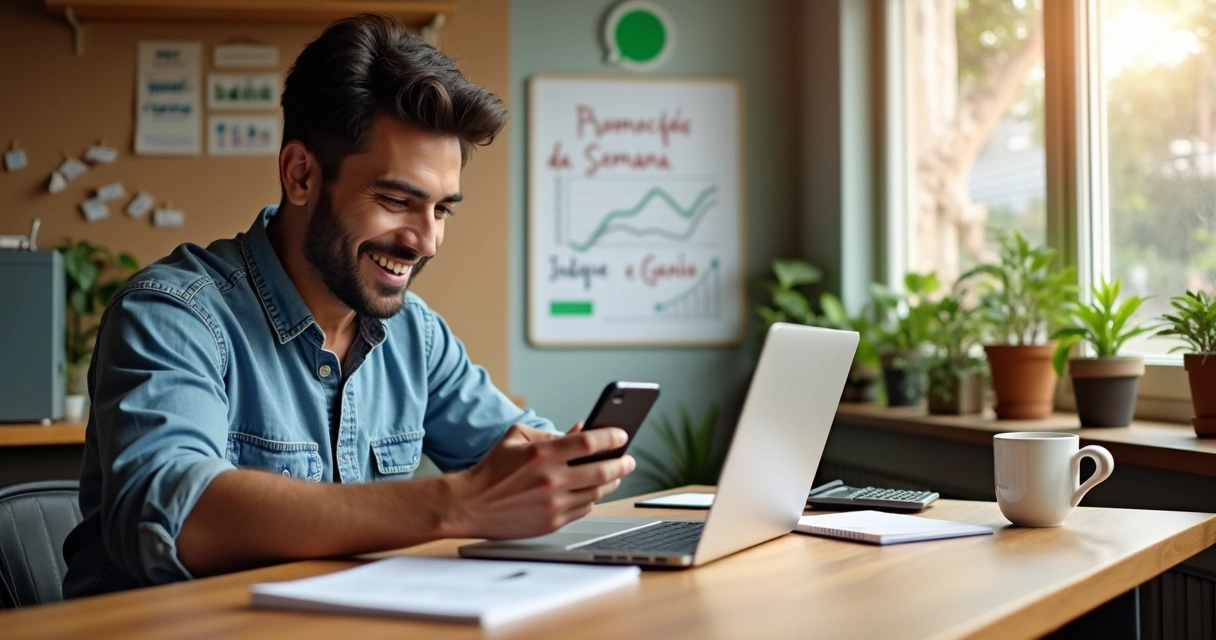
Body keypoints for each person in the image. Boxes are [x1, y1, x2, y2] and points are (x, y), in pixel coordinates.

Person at [62, 14, 635, 598]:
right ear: (300, 175)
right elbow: (176, 516)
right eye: (396, 200)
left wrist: (564, 468)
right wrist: (454, 503)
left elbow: (520, 459)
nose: (427, 241)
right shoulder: (172, 315)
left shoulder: (414, 337)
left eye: (441, 209)